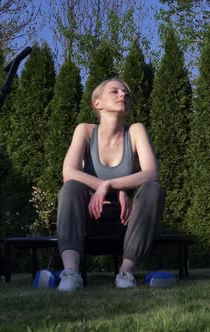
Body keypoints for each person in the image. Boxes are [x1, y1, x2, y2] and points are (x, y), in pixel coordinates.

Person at [56, 78, 165, 292]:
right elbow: (68, 172)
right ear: (98, 103)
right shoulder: (85, 131)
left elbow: (152, 173)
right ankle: (70, 273)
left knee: (153, 189)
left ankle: (126, 272)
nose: (122, 95)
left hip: (127, 221)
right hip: (90, 217)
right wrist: (107, 187)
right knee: (70, 188)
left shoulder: (135, 130)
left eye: (126, 93)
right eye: (114, 91)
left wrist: (112, 186)